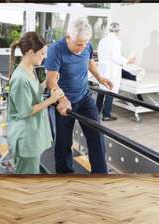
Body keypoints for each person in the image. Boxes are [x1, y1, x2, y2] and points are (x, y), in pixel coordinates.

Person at [45, 18, 113, 174]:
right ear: (68, 37)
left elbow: (90, 63)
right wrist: (62, 98)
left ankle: (100, 174)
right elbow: (51, 80)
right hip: (62, 101)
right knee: (63, 143)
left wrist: (100, 78)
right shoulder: (56, 50)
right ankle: (66, 176)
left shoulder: (87, 44)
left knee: (97, 135)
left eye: (84, 44)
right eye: (78, 44)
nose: (82, 48)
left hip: (84, 97)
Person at [7, 32, 64, 174]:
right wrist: (51, 99)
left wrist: (45, 84)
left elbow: (32, 93)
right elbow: (25, 111)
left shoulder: (29, 69)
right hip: (26, 137)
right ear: (31, 52)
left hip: (33, 133)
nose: (44, 57)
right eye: (42, 53)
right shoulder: (20, 78)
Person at [96, 22, 136, 121]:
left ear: (109, 29)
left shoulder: (102, 40)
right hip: (111, 70)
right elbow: (116, 57)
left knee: (102, 91)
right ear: (118, 30)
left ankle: (96, 112)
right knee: (111, 91)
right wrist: (128, 61)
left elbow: (100, 55)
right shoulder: (116, 41)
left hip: (103, 69)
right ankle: (106, 115)